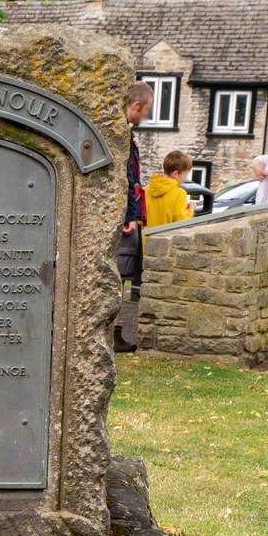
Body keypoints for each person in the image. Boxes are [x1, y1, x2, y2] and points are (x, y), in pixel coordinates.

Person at [115, 81, 154, 353]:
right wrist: (130, 215)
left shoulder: (123, 134)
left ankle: (114, 330)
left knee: (123, 275)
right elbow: (127, 178)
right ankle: (113, 330)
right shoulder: (120, 136)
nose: (145, 118)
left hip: (126, 214)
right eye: (146, 111)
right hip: (122, 219)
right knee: (119, 274)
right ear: (136, 105)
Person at [144, 150, 195, 228]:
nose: (185, 178)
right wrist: (191, 210)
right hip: (165, 238)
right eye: (185, 174)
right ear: (176, 174)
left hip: (144, 238)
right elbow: (181, 222)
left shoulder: (145, 190)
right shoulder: (179, 193)